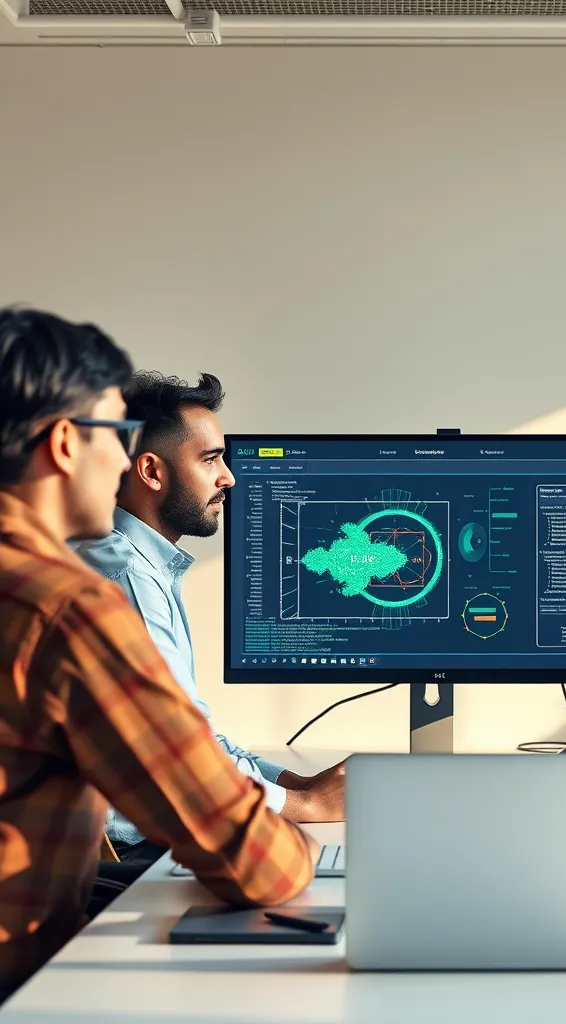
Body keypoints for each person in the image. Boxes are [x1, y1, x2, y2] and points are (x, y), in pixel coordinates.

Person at [0, 308, 314, 1001]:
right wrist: (309, 840)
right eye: (113, 436)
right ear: (62, 444)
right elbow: (253, 862)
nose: (121, 462)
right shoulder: (65, 610)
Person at [76, 371, 346, 866]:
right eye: (210, 459)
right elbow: (182, 764)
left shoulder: (136, 564)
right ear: (152, 472)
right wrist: (304, 806)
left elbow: (195, 738)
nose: (230, 477)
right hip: (131, 859)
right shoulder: (126, 579)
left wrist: (298, 784)